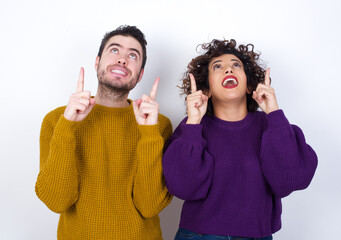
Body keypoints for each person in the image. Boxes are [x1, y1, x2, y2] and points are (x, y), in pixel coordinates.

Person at [162, 39, 318, 240]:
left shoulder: (271, 124)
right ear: (206, 90)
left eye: (236, 65)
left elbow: (292, 180)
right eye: (217, 67)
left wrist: (273, 112)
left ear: (248, 85)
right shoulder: (192, 127)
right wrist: (193, 121)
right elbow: (183, 187)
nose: (228, 70)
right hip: (200, 235)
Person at [35, 25, 172, 239]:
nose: (122, 59)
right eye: (114, 50)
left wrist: (149, 134)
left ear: (140, 74)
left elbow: (150, 206)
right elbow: (57, 201)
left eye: (133, 55)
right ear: (97, 62)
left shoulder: (157, 125)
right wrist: (67, 126)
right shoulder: (57, 120)